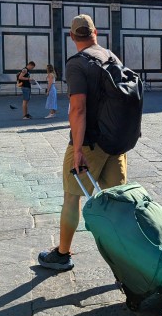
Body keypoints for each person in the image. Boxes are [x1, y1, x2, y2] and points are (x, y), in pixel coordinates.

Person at [38, 14, 128, 271]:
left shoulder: (77, 64)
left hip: (89, 143)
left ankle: (62, 254)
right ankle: (131, 258)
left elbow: (78, 109)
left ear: (71, 36)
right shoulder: (112, 57)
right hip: (116, 142)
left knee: (72, 196)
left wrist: (77, 150)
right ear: (95, 32)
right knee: (118, 200)